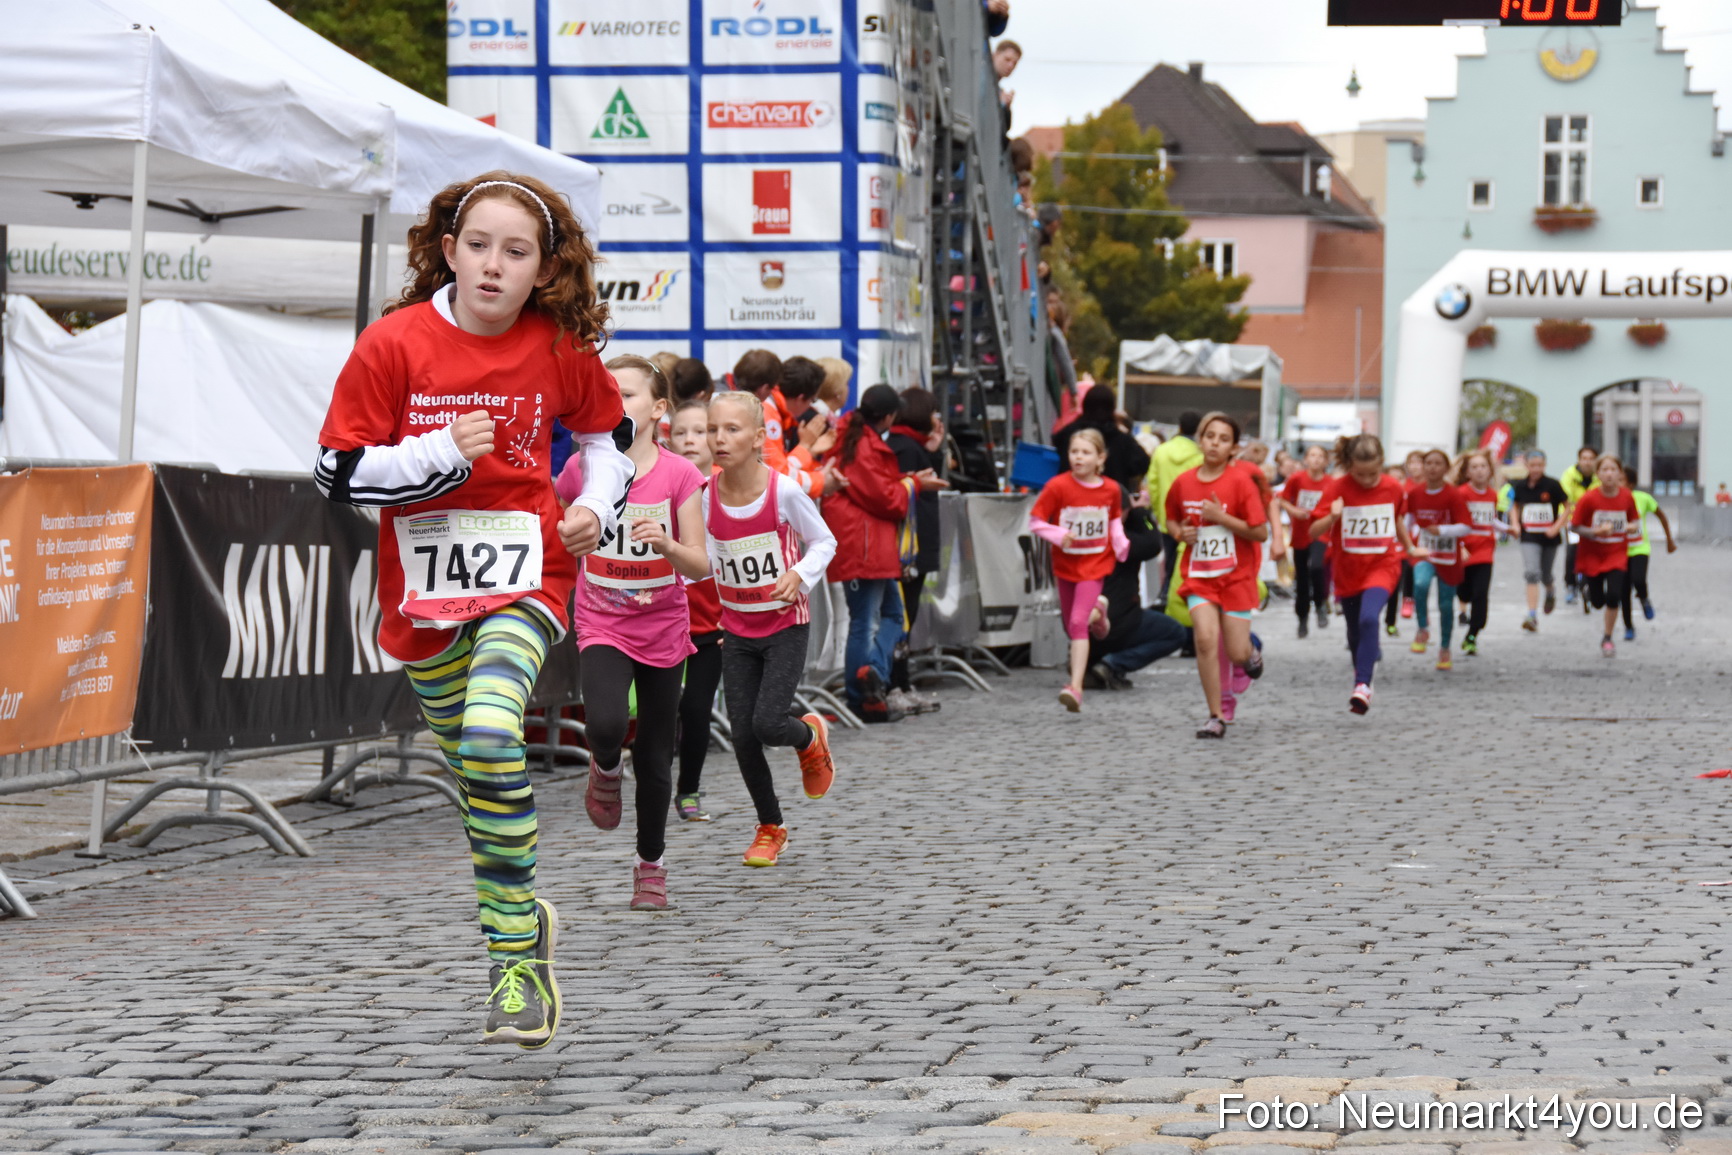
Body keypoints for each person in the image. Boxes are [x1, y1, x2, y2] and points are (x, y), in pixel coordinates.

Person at [315, 172, 633, 1047]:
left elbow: (612, 442)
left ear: (544, 268)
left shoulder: (556, 343)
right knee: (480, 783)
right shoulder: (393, 344)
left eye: (517, 251)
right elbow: (335, 471)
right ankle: (522, 925)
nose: (495, 266)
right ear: (449, 251)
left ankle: (511, 966)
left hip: (532, 571)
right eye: (480, 246)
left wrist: (596, 509)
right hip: (423, 596)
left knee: (496, 733)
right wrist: (432, 456)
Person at [556, 357, 707, 913]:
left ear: (658, 408)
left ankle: (651, 866)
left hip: (663, 626)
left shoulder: (678, 475)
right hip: (602, 620)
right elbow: (553, 526)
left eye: (628, 394)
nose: (617, 404)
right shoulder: (580, 472)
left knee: (655, 755)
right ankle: (603, 764)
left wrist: (667, 545)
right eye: (607, 394)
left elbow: (700, 564)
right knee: (607, 723)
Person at [705, 391, 839, 867]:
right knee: (743, 736)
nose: (719, 439)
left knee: (766, 723)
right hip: (737, 631)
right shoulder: (705, 496)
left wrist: (800, 573)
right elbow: (703, 564)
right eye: (712, 430)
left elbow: (824, 541)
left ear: (759, 438)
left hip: (785, 625)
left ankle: (808, 737)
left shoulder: (782, 490)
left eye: (732, 430)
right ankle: (770, 827)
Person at [821, 384, 946, 723]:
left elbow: (877, 486)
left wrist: (909, 479)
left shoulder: (857, 438)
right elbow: (886, 498)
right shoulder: (862, 444)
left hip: (869, 543)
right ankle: (862, 697)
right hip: (863, 544)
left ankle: (871, 674)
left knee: (892, 616)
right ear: (889, 416)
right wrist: (915, 484)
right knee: (868, 620)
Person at [1165, 413, 1268, 737]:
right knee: (1206, 640)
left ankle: (1250, 654)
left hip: (1236, 577)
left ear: (1234, 448)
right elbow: (1170, 520)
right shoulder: (1184, 482)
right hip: (1200, 576)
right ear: (1200, 439)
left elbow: (1260, 532)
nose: (1215, 443)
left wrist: (1222, 518)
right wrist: (1182, 533)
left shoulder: (1240, 483)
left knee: (1236, 652)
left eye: (1224, 439)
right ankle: (1215, 715)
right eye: (1210, 436)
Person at [1308, 433, 1424, 715]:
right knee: (1354, 632)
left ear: (1382, 463)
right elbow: (1312, 532)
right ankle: (1363, 664)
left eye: (1373, 473)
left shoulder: (1393, 487)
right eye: (1360, 474)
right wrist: (1332, 516)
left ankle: (1363, 685)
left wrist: (1409, 547)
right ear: (1349, 466)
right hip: (1348, 571)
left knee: (1370, 618)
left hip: (1383, 565)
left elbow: (1395, 518)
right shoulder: (1337, 487)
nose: (1368, 480)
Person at [1031, 428, 1130, 711]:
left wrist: (1121, 543)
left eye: (1086, 453)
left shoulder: (1110, 489)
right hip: (1066, 565)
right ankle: (1099, 614)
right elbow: (1035, 522)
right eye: (1074, 452)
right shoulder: (1057, 487)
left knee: (1076, 623)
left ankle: (1075, 687)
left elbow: (1113, 522)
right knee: (1070, 624)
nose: (1078, 458)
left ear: (1101, 458)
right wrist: (1057, 534)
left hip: (1095, 564)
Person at [668, 399, 723, 823]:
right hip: (661, 617)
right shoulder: (659, 480)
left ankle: (689, 790)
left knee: (697, 709)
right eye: (681, 432)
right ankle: (652, 784)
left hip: (712, 622)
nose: (690, 440)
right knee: (658, 711)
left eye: (700, 432)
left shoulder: (727, 488)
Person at [1084, 481, 1188, 690]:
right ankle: (1113, 664)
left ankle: (1089, 664)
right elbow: (1153, 543)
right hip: (1118, 621)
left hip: (1082, 623)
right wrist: (1141, 513)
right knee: (1175, 632)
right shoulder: (1122, 541)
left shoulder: (1082, 536)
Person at [885, 387, 947, 715]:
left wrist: (934, 452)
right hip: (909, 546)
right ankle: (894, 683)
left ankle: (902, 682)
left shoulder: (911, 445)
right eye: (934, 412)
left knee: (904, 615)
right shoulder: (905, 447)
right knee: (900, 616)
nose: (937, 420)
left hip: (912, 545)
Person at [1405, 449, 1472, 672]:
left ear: (1446, 468)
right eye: (1429, 463)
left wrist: (1441, 530)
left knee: (1445, 604)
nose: (1433, 467)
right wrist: (1407, 543)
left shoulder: (1453, 495)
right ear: (1423, 467)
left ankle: (1444, 647)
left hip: (1448, 556)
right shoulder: (1415, 493)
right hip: (1425, 552)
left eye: (1438, 463)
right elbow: (1409, 519)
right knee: (1420, 584)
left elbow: (1466, 526)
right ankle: (1423, 627)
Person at [1571, 454, 1640, 657]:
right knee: (1598, 602)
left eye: (1613, 469)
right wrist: (1595, 532)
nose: (1609, 473)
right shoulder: (1589, 498)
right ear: (1597, 473)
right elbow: (1574, 526)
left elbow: (1635, 522)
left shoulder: (1627, 496)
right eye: (1605, 470)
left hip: (1616, 553)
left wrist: (1626, 526)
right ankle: (1587, 591)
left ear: (1620, 473)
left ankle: (1607, 637)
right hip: (1592, 554)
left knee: (1614, 595)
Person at [1454, 449, 1509, 656]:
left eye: (1483, 467)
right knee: (1464, 592)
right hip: (1465, 549)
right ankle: (1463, 602)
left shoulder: (1492, 495)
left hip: (1485, 550)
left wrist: (1507, 528)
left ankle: (1472, 634)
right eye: (1474, 467)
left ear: (1489, 471)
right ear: (1467, 472)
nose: (1479, 471)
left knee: (1480, 593)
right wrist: (1459, 547)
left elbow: (1490, 519)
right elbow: (1455, 521)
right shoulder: (1461, 494)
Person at [1508, 449, 1569, 632]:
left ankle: (1550, 590)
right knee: (1532, 573)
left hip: (1549, 537)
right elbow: (1514, 506)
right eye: (1532, 465)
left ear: (1545, 465)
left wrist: (1556, 527)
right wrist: (1515, 524)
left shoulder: (1553, 485)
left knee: (1545, 574)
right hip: (1529, 536)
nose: (1536, 469)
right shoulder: (1519, 486)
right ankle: (1532, 615)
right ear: (1526, 465)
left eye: (1540, 465)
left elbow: (1567, 508)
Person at [1054, 383, 1151, 493]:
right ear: (1112, 408)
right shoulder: (1121, 439)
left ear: (1085, 405)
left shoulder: (1069, 433)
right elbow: (1143, 463)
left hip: (1070, 498)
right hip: (1110, 501)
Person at [1619, 463, 1677, 641]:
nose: (1616, 482)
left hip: (1640, 548)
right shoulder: (1610, 498)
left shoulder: (1643, 498)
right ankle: (1629, 627)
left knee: (1638, 579)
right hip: (1618, 551)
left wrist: (1669, 540)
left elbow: (1661, 515)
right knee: (1623, 592)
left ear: (1631, 484)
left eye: (1621, 480)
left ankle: (1644, 599)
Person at [1279, 445, 1332, 637]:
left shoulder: (1331, 483)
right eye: (1312, 455)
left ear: (1326, 461)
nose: (1316, 459)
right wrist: (1293, 511)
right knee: (1301, 580)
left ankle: (1320, 604)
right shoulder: (1297, 478)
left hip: (1321, 534)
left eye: (1320, 456)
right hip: (1300, 534)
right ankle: (1302, 619)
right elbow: (1282, 499)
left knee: (1316, 567)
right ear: (1306, 459)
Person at [1148, 410, 1204, 591]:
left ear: (1179, 427)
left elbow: (1153, 485)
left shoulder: (1162, 451)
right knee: (1188, 561)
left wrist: (1158, 511)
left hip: (1166, 518)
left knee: (1168, 560)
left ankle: (1165, 594)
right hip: (1194, 517)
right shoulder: (1202, 455)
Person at [1560, 444, 1599, 605]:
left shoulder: (1600, 476)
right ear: (1579, 460)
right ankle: (1571, 585)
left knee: (1593, 553)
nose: (1587, 462)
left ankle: (1591, 585)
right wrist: (1566, 520)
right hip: (1573, 521)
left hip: (1594, 523)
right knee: (1572, 552)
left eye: (1591, 459)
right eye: (1584, 458)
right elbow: (1563, 500)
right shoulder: (1569, 475)